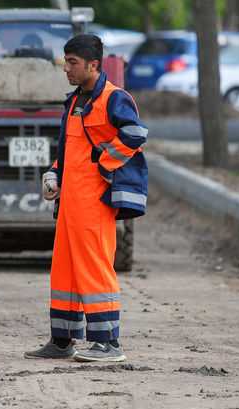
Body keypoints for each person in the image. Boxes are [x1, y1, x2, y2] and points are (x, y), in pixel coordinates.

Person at [24, 34, 148, 362]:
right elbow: (69, 149)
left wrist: (103, 163)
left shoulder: (113, 98)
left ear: (93, 65)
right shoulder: (76, 100)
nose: (66, 69)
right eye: (66, 62)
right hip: (69, 203)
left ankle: (108, 343)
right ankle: (62, 341)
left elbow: (136, 134)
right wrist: (54, 172)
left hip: (94, 202)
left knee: (94, 269)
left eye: (73, 63)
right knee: (64, 271)